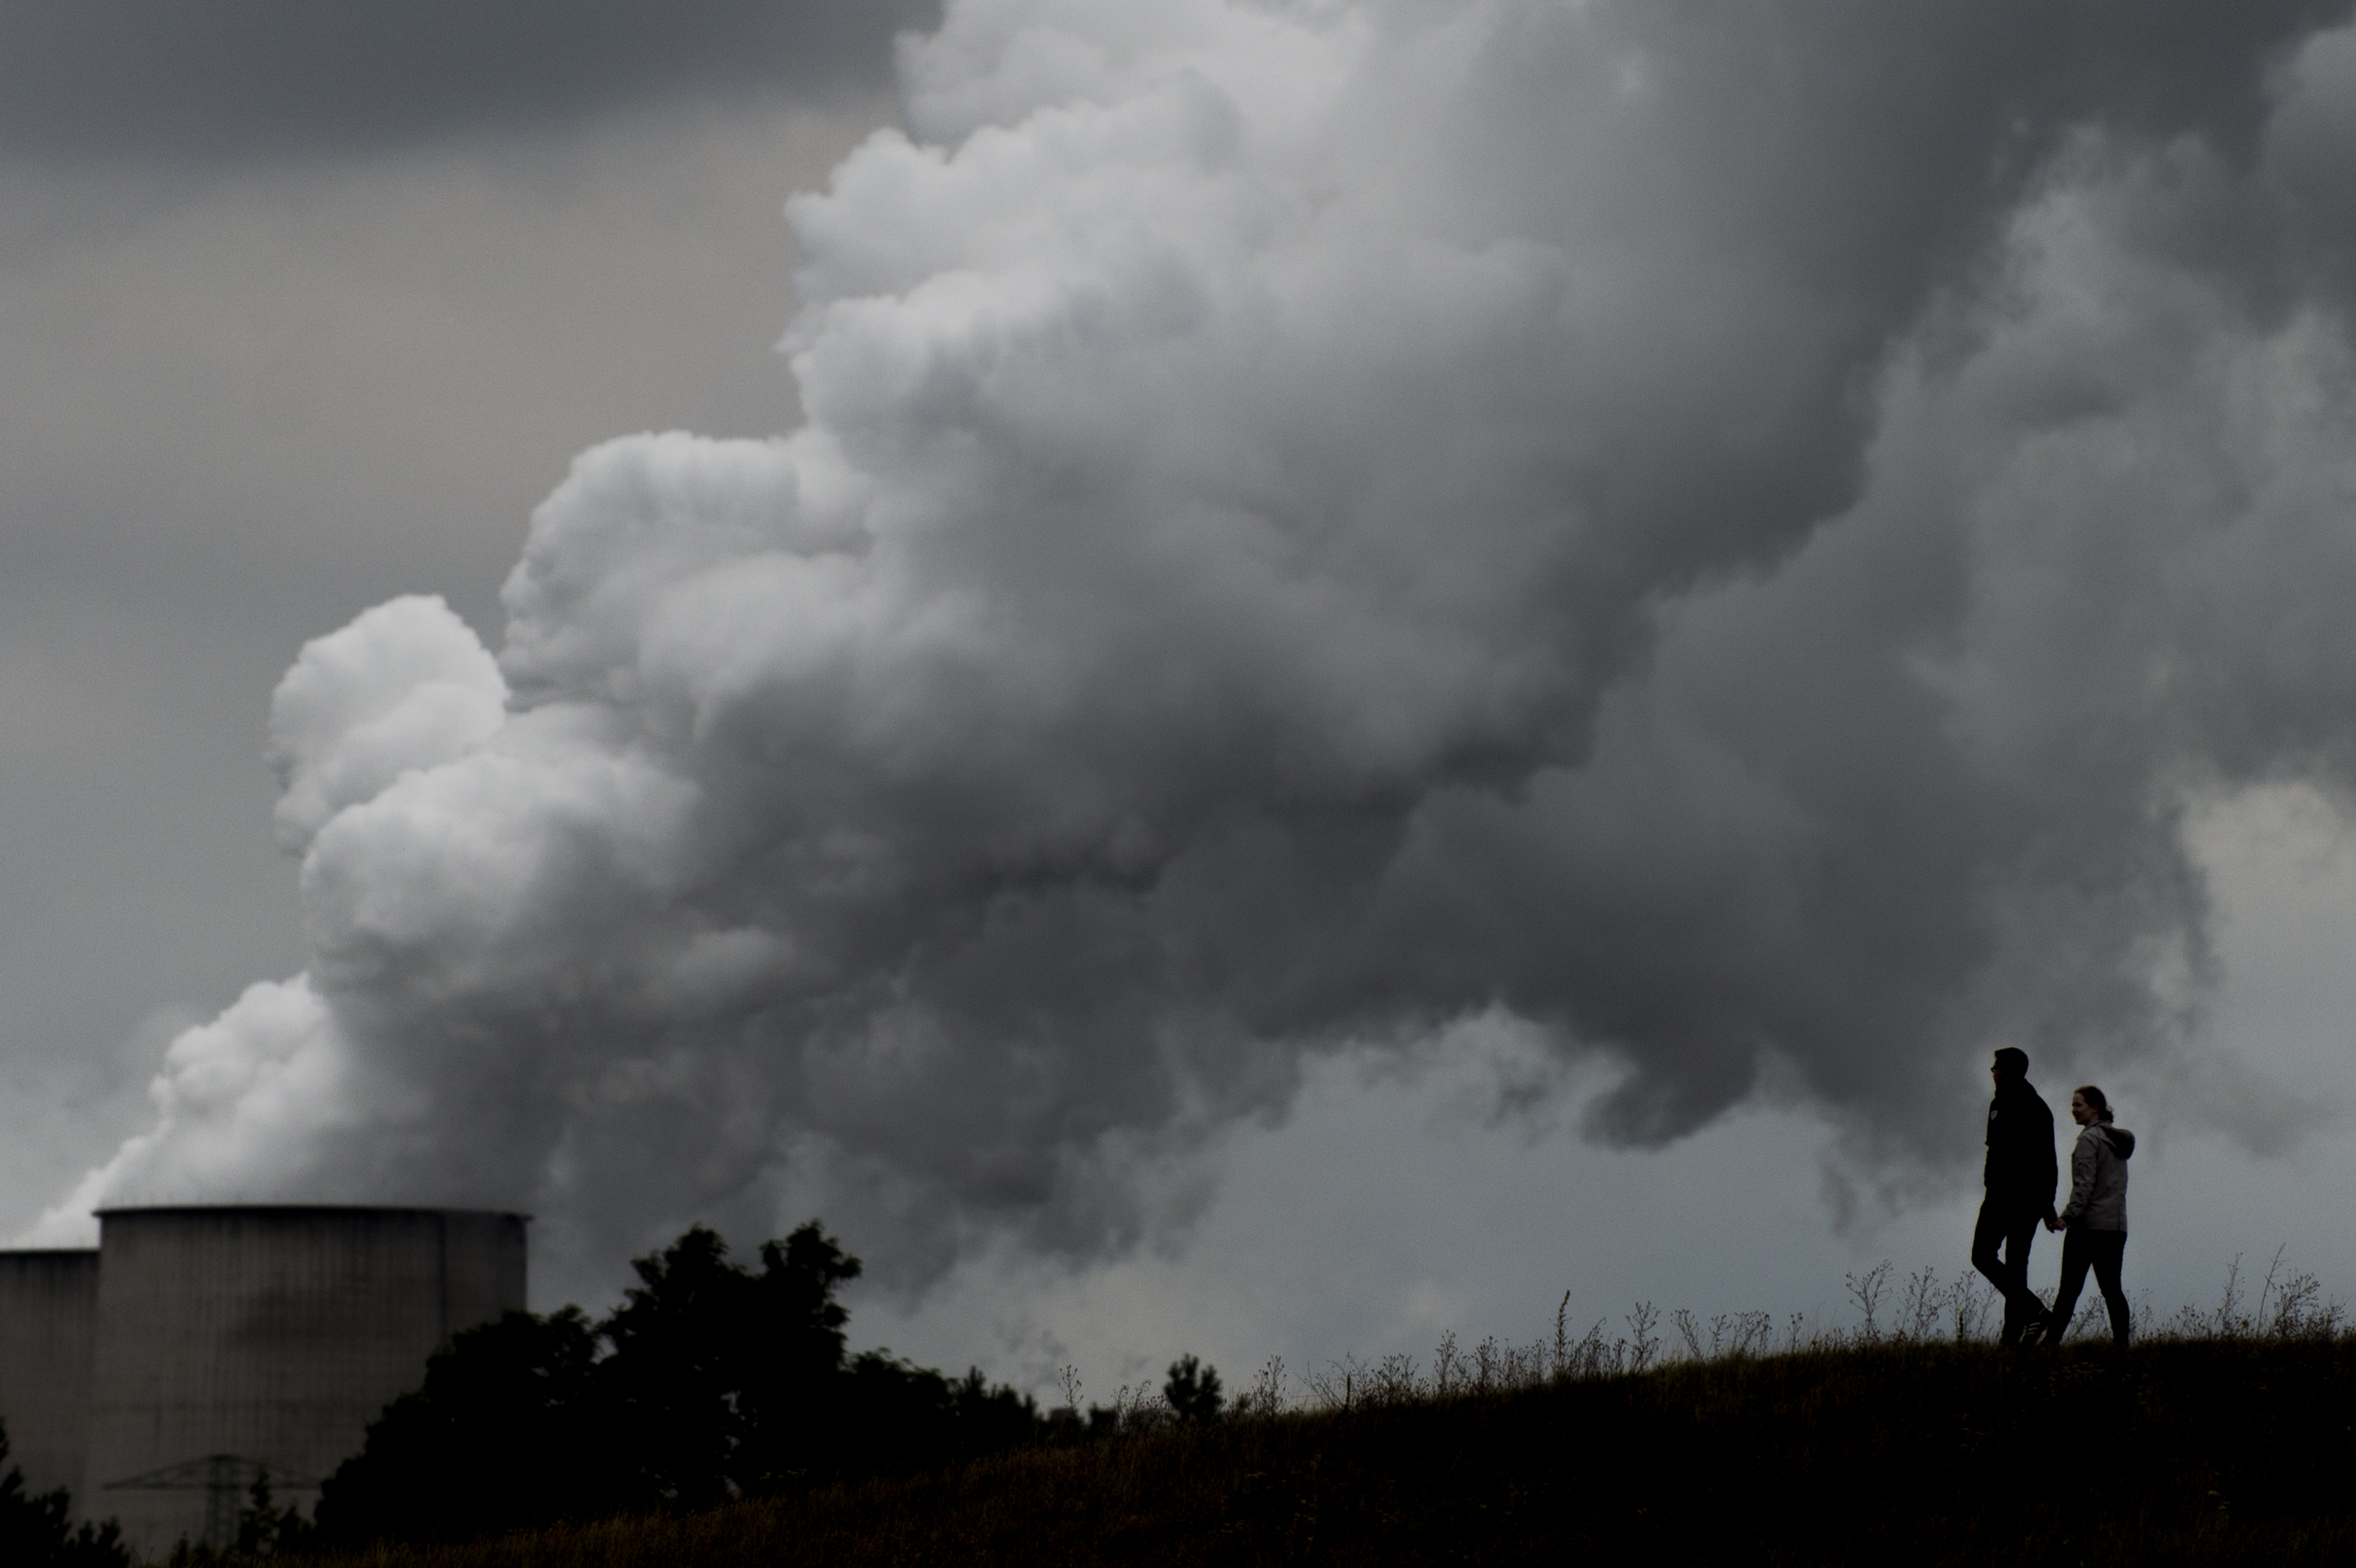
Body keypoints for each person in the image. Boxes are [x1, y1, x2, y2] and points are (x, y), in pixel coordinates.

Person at [1971, 1046, 2058, 1346]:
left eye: (1996, 1067)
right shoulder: (1998, 1103)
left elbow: (2045, 1159)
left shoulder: (2034, 1107)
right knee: (2004, 1262)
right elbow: (1993, 1149)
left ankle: (2023, 1323)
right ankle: (2023, 1324)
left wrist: (2046, 1205)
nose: (1992, 1072)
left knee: (1991, 1257)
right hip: (2000, 1193)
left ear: (2008, 1071)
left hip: (2020, 1197)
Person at [2044, 1085, 2134, 1347]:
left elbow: (2084, 1186)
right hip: (2115, 1228)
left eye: (2078, 1105)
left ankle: (2049, 1346)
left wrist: (2067, 1217)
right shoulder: (2117, 1142)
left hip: (2086, 1229)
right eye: (2073, 1105)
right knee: (2112, 1291)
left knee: (2068, 1292)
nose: (2073, 1110)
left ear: (2094, 1107)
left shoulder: (2089, 1140)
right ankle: (2122, 1347)